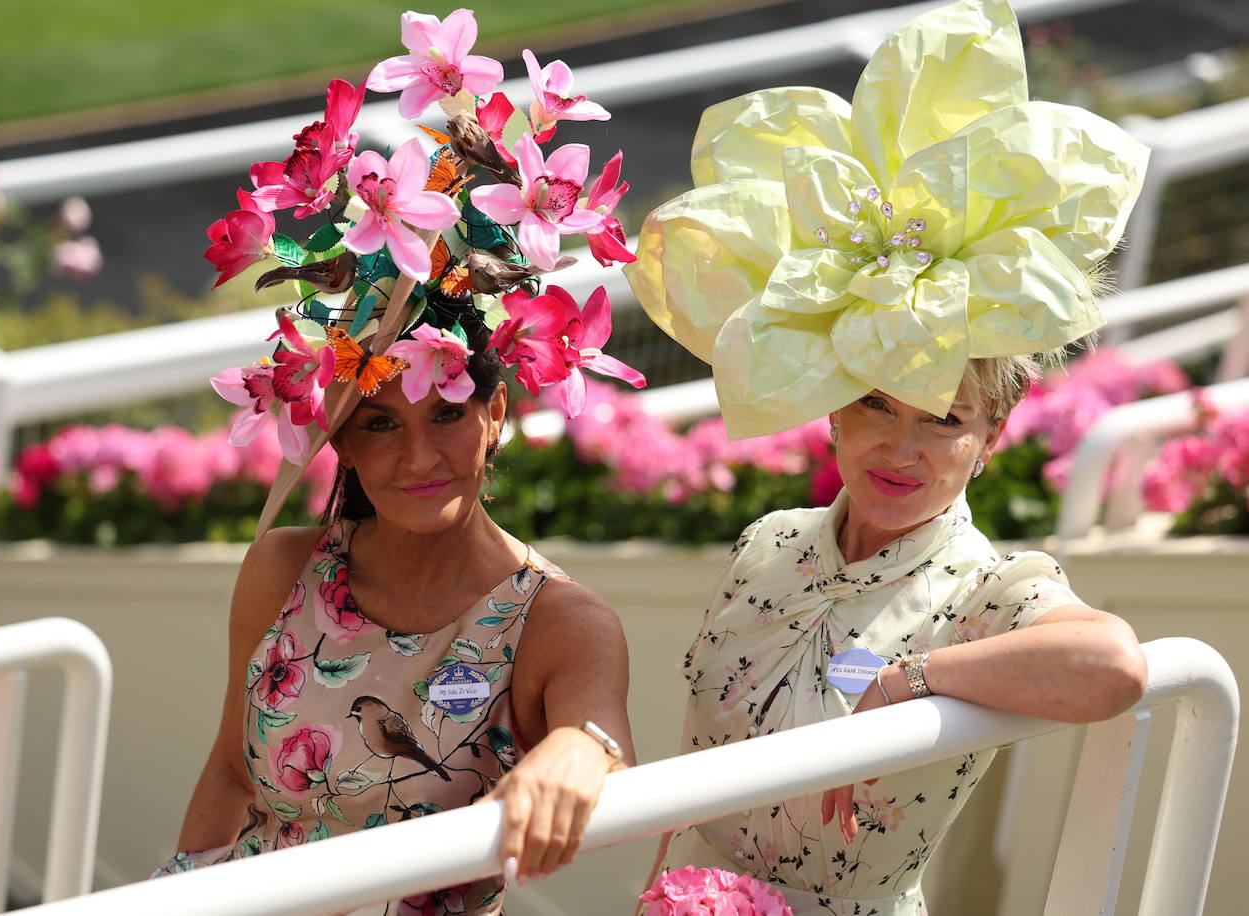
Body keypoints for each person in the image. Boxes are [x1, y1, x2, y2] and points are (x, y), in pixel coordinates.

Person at [624, 0, 1150, 911]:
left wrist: (913, 682)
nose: (901, 446)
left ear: (990, 440)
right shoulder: (769, 542)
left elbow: (1115, 668)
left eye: (946, 419)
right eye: (874, 402)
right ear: (831, 410)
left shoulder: (989, 591)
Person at [162, 324, 635, 915]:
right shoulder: (285, 566)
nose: (419, 457)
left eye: (447, 414)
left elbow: (605, 750)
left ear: (495, 414)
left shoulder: (559, 619)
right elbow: (232, 774)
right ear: (342, 444)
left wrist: (580, 749)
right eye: (380, 423)